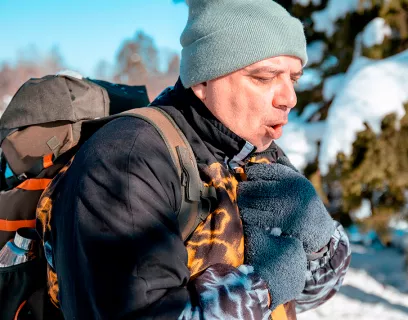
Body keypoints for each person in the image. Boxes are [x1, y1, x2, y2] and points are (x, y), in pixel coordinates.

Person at [42, 0, 351, 319]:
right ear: (204, 79)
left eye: (294, 79)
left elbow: (315, 292)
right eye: (264, 77)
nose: (289, 98)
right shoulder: (129, 158)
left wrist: (318, 241)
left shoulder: (259, 149)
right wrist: (262, 289)